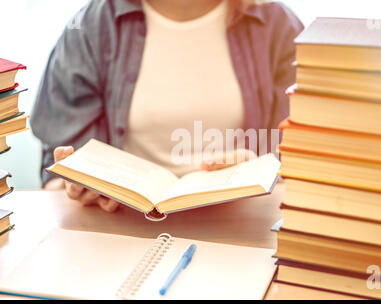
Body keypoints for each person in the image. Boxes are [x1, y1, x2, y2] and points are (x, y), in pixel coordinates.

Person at [31, 0, 303, 212]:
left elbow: (302, 166)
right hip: (119, 227)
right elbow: (57, 170)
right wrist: (74, 185)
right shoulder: (91, 24)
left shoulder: (278, 26)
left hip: (246, 224)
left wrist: (262, 172)